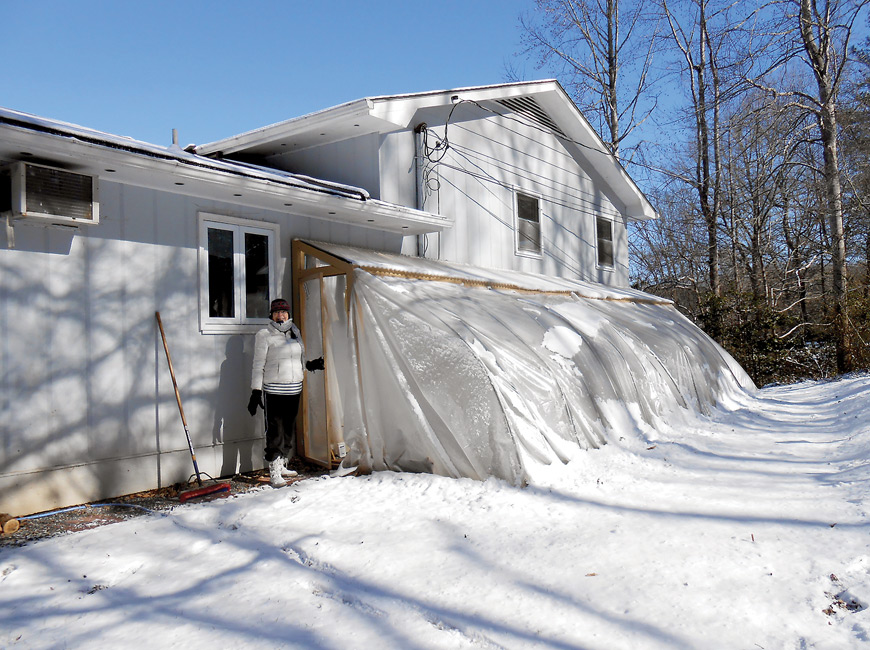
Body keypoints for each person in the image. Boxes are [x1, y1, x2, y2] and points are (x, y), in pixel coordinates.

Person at [248, 298, 324, 487]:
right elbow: (258, 365)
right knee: (275, 430)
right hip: (274, 389)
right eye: (276, 312)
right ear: (271, 315)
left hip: (294, 388)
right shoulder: (264, 335)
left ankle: (282, 464)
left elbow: (298, 360)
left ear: (288, 314)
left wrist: (310, 365)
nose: (280, 315)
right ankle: (274, 470)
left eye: (284, 312)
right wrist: (256, 391)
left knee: (288, 430)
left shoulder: (294, 332)